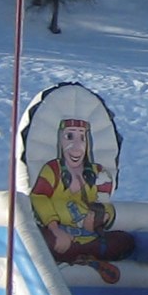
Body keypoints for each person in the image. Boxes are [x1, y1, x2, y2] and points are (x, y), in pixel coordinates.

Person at [29, 116, 134, 278]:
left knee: (125, 241)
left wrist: (100, 216)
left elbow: (106, 204)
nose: (76, 146)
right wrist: (55, 228)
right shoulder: (52, 170)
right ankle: (79, 254)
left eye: (82, 138)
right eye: (70, 137)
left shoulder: (99, 173)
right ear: (61, 141)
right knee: (40, 242)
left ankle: (81, 254)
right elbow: (38, 197)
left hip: (90, 237)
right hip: (58, 235)